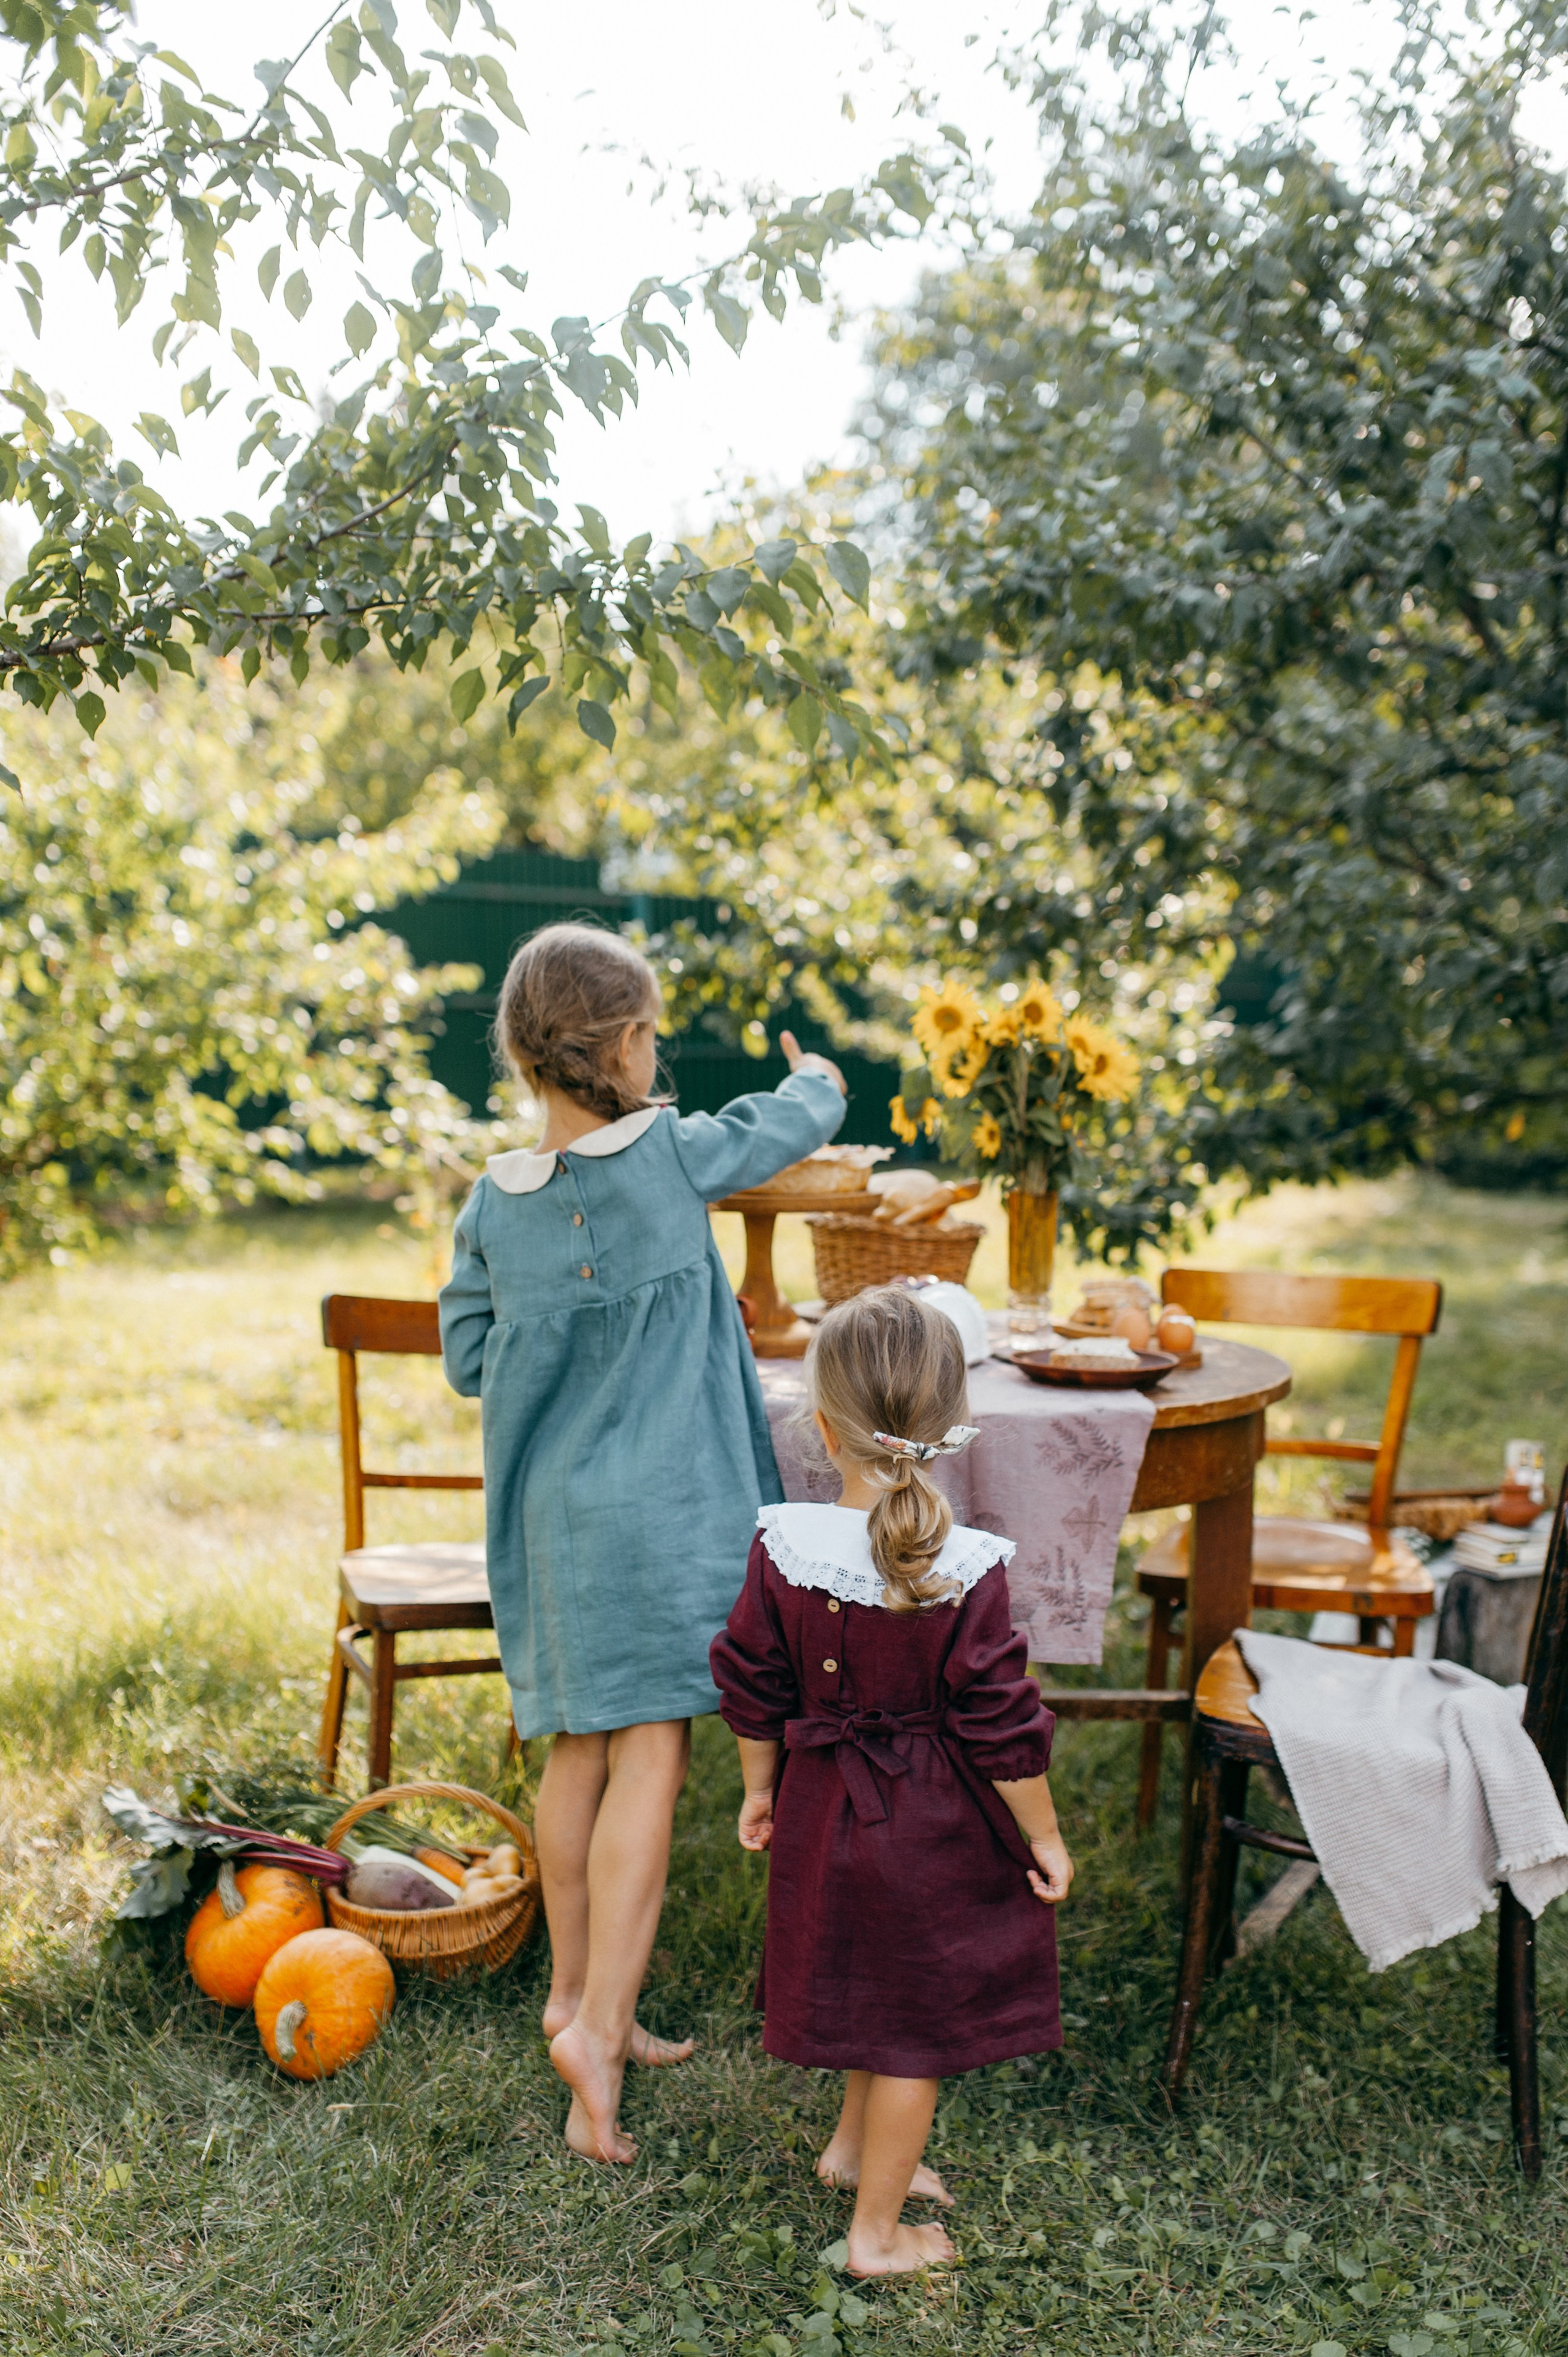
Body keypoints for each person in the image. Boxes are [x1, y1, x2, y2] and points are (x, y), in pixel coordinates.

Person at [439, 922, 846, 2163]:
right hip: (663, 1519)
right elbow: (794, 1122)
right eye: (651, 1031)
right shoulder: (674, 1157)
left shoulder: (487, 1205)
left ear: (520, 1053)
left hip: (554, 1523)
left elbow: (467, 1357)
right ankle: (601, 2033)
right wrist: (818, 1073)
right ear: (623, 1043)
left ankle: (572, 1997)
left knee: (577, 1752)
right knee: (654, 1759)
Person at [710, 1286, 1072, 2278]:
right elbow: (1002, 1723)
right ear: (949, 1430)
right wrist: (1043, 1837)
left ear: (819, 1428)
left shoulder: (784, 1545)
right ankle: (875, 2238)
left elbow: (752, 1675)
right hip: (931, 1828)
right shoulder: (963, 1567)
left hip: (826, 1802)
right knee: (915, 2029)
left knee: (874, 1982)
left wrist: (761, 1787)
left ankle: (846, 2151)